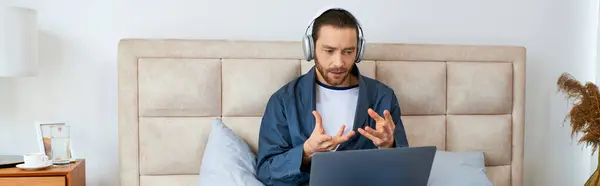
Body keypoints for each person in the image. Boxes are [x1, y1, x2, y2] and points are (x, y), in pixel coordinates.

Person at [255, 7, 409, 186]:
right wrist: (306, 152)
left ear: (358, 52)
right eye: (329, 51)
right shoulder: (284, 101)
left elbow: (406, 172)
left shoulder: (383, 97)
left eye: (348, 51)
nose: (339, 63)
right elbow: (266, 171)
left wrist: (388, 146)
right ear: (311, 48)